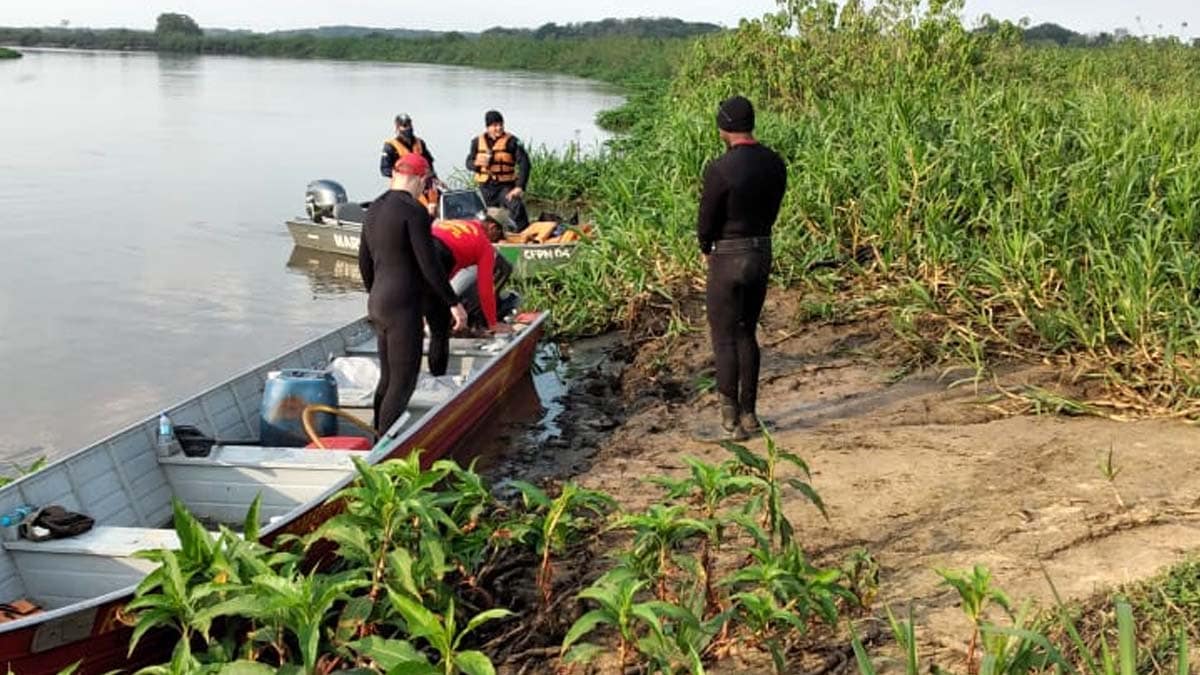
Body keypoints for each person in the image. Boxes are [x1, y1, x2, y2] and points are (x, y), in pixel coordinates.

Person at [697, 95, 788, 441]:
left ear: (724, 127)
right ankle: (750, 416)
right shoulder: (775, 162)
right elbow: (773, 209)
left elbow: (707, 219)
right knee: (747, 332)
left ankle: (730, 422)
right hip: (760, 250)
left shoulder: (720, 168)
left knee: (723, 338)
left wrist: (706, 247)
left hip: (727, 256)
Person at [359, 152, 468, 433]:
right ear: (420, 179)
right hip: (402, 305)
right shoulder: (414, 210)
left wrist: (375, 296)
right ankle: (384, 453)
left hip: (378, 302)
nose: (425, 188)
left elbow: (364, 262)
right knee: (404, 381)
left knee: (387, 378)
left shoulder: (374, 208)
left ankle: (376, 438)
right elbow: (428, 264)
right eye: (425, 183)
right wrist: (453, 302)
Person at [425, 215, 513, 375]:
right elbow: (486, 290)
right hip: (437, 255)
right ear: (493, 228)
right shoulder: (484, 245)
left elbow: (449, 273)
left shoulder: (459, 224)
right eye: (498, 236)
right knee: (440, 329)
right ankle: (437, 377)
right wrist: (493, 324)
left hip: (417, 247)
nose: (497, 241)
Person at [465, 109, 531, 230]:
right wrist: (476, 164)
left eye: (501, 124)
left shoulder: (513, 141)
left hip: (505, 186)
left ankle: (525, 233)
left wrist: (520, 186)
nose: (499, 128)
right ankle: (492, 239)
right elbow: (468, 162)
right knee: (485, 217)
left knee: (516, 205)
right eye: (495, 125)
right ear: (488, 127)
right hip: (485, 187)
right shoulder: (476, 142)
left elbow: (525, 163)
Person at [380, 113, 440, 215]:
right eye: (404, 125)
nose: (408, 128)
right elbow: (384, 169)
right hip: (404, 187)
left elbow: (429, 162)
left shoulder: (420, 142)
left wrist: (434, 177)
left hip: (424, 184)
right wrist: (403, 174)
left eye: (409, 124)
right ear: (398, 127)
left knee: (437, 203)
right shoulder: (390, 146)